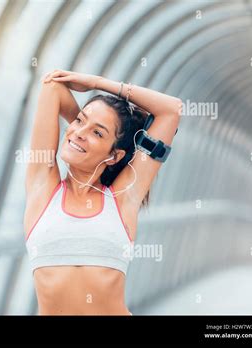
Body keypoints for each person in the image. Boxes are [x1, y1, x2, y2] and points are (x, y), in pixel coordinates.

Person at [24, 70, 182, 315]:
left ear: (114, 155)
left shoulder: (122, 198)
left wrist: (96, 83)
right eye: (79, 121)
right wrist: (86, 132)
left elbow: (170, 110)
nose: (79, 131)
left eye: (97, 133)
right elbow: (52, 87)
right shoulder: (42, 187)